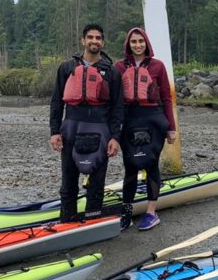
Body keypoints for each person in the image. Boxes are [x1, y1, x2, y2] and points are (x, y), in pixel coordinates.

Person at [49, 23, 122, 223]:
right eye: (90, 37)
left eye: (98, 38)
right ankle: (67, 221)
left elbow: (117, 107)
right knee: (68, 182)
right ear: (83, 41)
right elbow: (56, 102)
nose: (94, 41)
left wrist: (115, 137)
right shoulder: (66, 68)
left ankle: (92, 223)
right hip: (71, 128)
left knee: (97, 184)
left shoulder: (112, 72)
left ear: (103, 42)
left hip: (100, 130)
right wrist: (54, 132)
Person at [114, 27, 176, 231]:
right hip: (129, 120)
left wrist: (171, 128)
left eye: (141, 41)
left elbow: (167, 98)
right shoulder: (120, 67)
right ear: (128, 44)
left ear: (146, 43)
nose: (138, 45)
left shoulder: (158, 66)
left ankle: (151, 212)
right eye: (134, 42)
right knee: (130, 166)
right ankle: (126, 211)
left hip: (153, 120)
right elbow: (114, 101)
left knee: (151, 165)